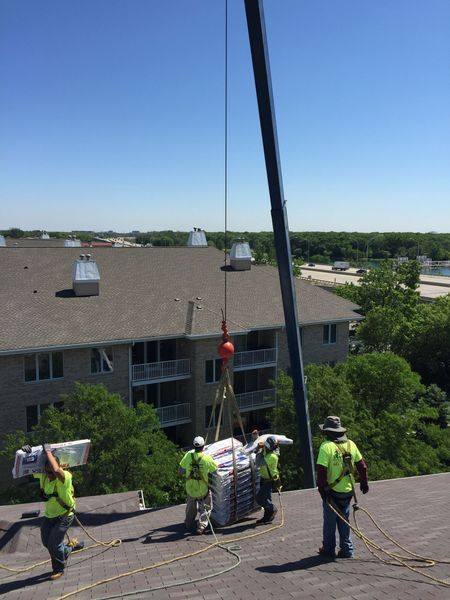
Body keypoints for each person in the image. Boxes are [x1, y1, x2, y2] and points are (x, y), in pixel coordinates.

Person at [21, 443, 84, 580]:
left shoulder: (65, 477)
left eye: (51, 472)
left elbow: (56, 469)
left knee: (53, 544)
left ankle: (59, 569)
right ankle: (67, 549)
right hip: (50, 516)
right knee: (46, 542)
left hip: (64, 516)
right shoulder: (44, 476)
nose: (49, 474)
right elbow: (28, 468)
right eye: (47, 471)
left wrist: (48, 451)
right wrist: (27, 452)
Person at [316, 416, 369, 559]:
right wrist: (364, 483)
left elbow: (321, 471)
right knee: (344, 519)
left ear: (327, 432)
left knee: (330, 521)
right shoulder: (351, 444)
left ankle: (328, 549)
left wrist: (322, 491)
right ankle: (347, 549)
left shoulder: (326, 447)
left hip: (331, 492)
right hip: (347, 491)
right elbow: (362, 466)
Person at [178, 436, 218, 535]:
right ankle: (201, 526)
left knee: (190, 507)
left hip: (190, 489)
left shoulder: (187, 456)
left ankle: (188, 523)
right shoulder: (207, 458)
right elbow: (215, 470)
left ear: (194, 446)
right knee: (207, 507)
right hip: (202, 489)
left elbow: (180, 471)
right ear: (203, 446)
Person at [255, 435, 280, 524]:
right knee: (267, 498)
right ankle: (267, 517)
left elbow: (258, 462)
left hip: (270, 480)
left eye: (266, 446)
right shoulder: (268, 452)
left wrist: (260, 449)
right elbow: (257, 454)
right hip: (264, 478)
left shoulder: (272, 456)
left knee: (260, 498)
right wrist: (258, 448)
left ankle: (273, 509)